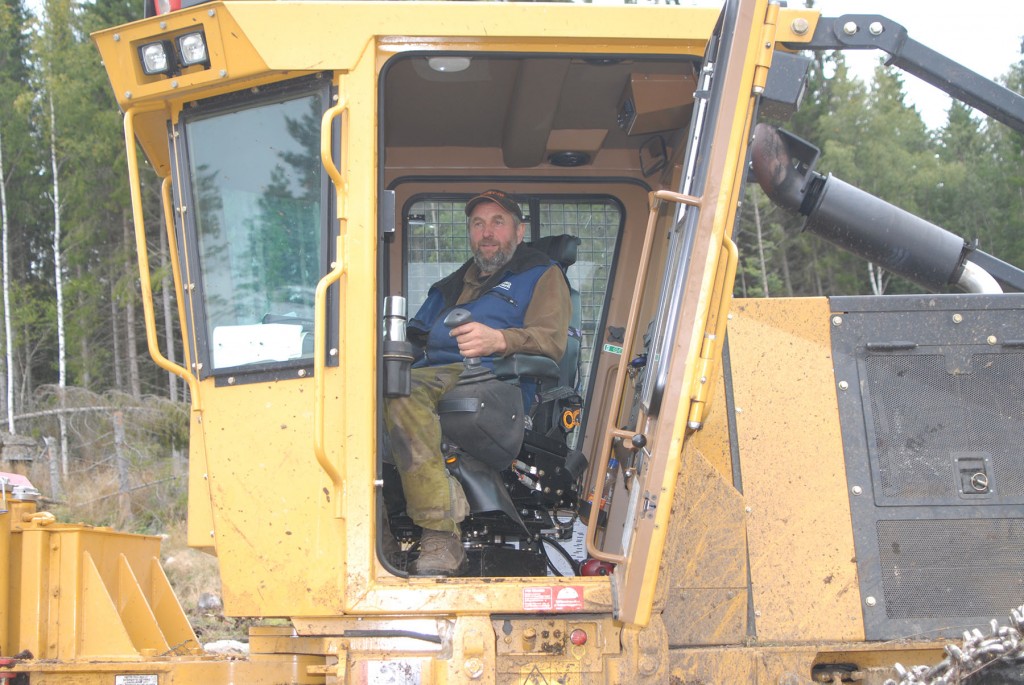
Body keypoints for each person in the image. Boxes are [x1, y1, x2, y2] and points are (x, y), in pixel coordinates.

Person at [385, 190, 571, 576]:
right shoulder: (450, 286)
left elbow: (552, 341)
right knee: (362, 389)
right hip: (437, 374)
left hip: (496, 379)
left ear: (519, 232)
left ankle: (439, 535)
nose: (487, 232)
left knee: (403, 394)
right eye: (478, 223)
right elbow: (417, 338)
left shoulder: (540, 274)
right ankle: (377, 531)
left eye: (498, 222)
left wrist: (501, 340)